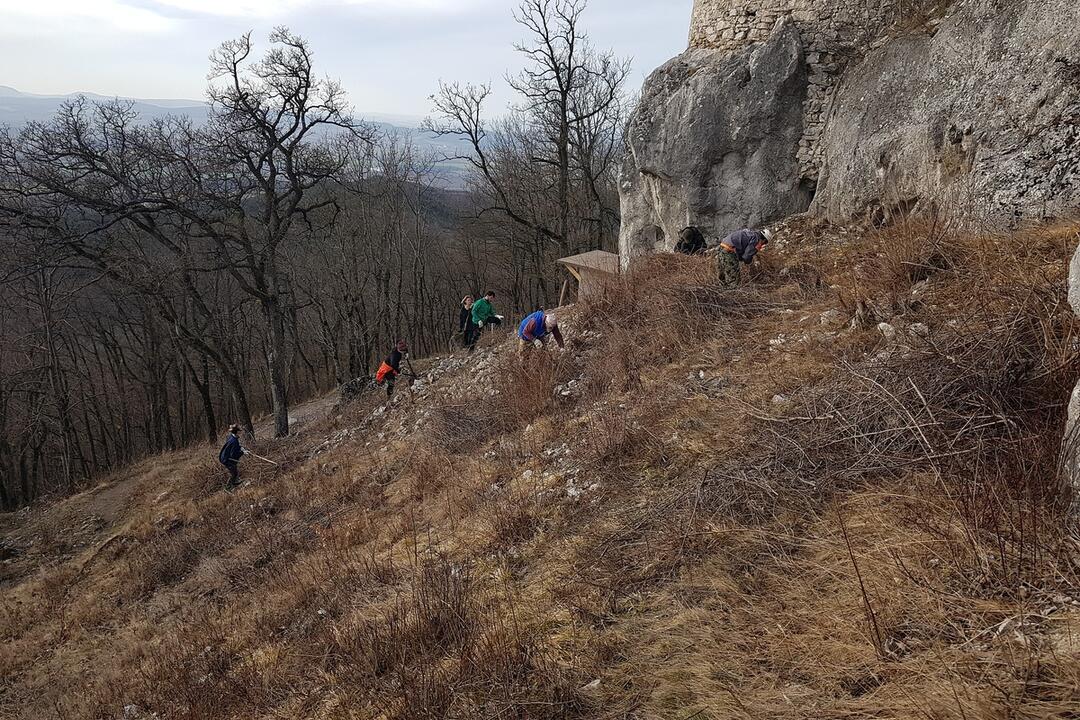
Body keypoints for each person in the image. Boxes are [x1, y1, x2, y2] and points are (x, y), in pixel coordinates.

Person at [218, 424, 248, 491]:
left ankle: (235, 483)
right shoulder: (234, 441)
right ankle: (228, 488)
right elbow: (233, 455)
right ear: (237, 432)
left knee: (235, 470)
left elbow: (233, 448)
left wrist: (240, 448)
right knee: (234, 473)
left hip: (225, 456)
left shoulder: (231, 437)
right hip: (226, 459)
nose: (240, 432)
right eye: (239, 431)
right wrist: (242, 452)